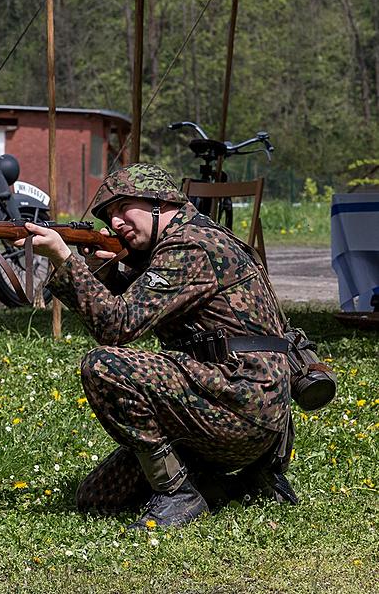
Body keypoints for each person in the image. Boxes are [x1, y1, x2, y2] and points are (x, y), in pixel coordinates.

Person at [17, 163, 296, 529]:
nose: (114, 223)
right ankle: (245, 484)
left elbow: (118, 325)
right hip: (238, 407)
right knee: (97, 498)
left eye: (122, 208)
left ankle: (177, 492)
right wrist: (108, 273)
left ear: (159, 201)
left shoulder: (189, 246)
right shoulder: (197, 237)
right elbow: (149, 305)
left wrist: (64, 259)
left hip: (239, 404)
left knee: (104, 366)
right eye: (108, 216)